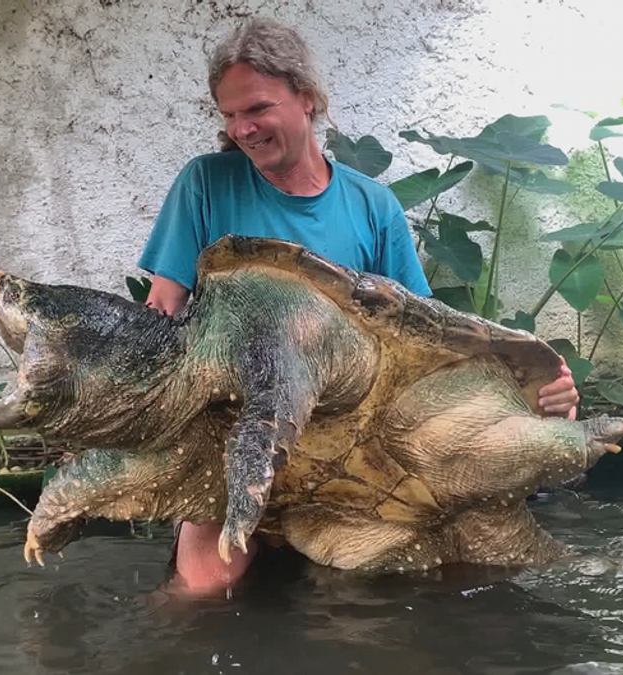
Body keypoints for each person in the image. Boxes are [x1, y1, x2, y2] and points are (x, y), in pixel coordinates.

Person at [138, 18, 580, 596]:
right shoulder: (206, 184)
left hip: (360, 443)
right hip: (237, 436)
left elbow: (430, 344)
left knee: (438, 586)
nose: (242, 128)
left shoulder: (374, 206)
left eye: (257, 109)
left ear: (308, 99)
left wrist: (536, 390)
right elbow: (162, 317)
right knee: (199, 592)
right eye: (228, 115)